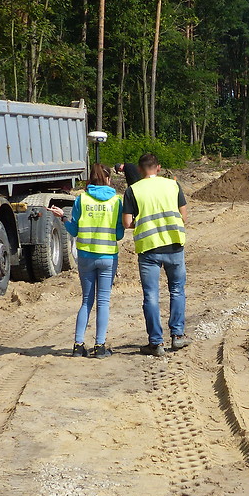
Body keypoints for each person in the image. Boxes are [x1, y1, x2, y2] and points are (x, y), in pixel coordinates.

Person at [50, 163, 123, 358]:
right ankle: (100, 346)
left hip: (85, 256)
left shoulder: (81, 199)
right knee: (103, 302)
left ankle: (78, 345)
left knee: (86, 301)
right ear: (108, 179)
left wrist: (63, 218)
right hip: (107, 256)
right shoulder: (116, 201)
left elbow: (74, 230)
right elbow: (119, 234)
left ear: (91, 179)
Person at [122, 153, 189, 356]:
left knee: (151, 295)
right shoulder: (173, 185)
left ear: (140, 170)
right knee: (177, 290)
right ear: (158, 167)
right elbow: (183, 215)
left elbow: (127, 223)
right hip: (174, 245)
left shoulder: (133, 190)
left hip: (149, 248)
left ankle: (156, 343)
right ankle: (177, 336)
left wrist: (142, 224)